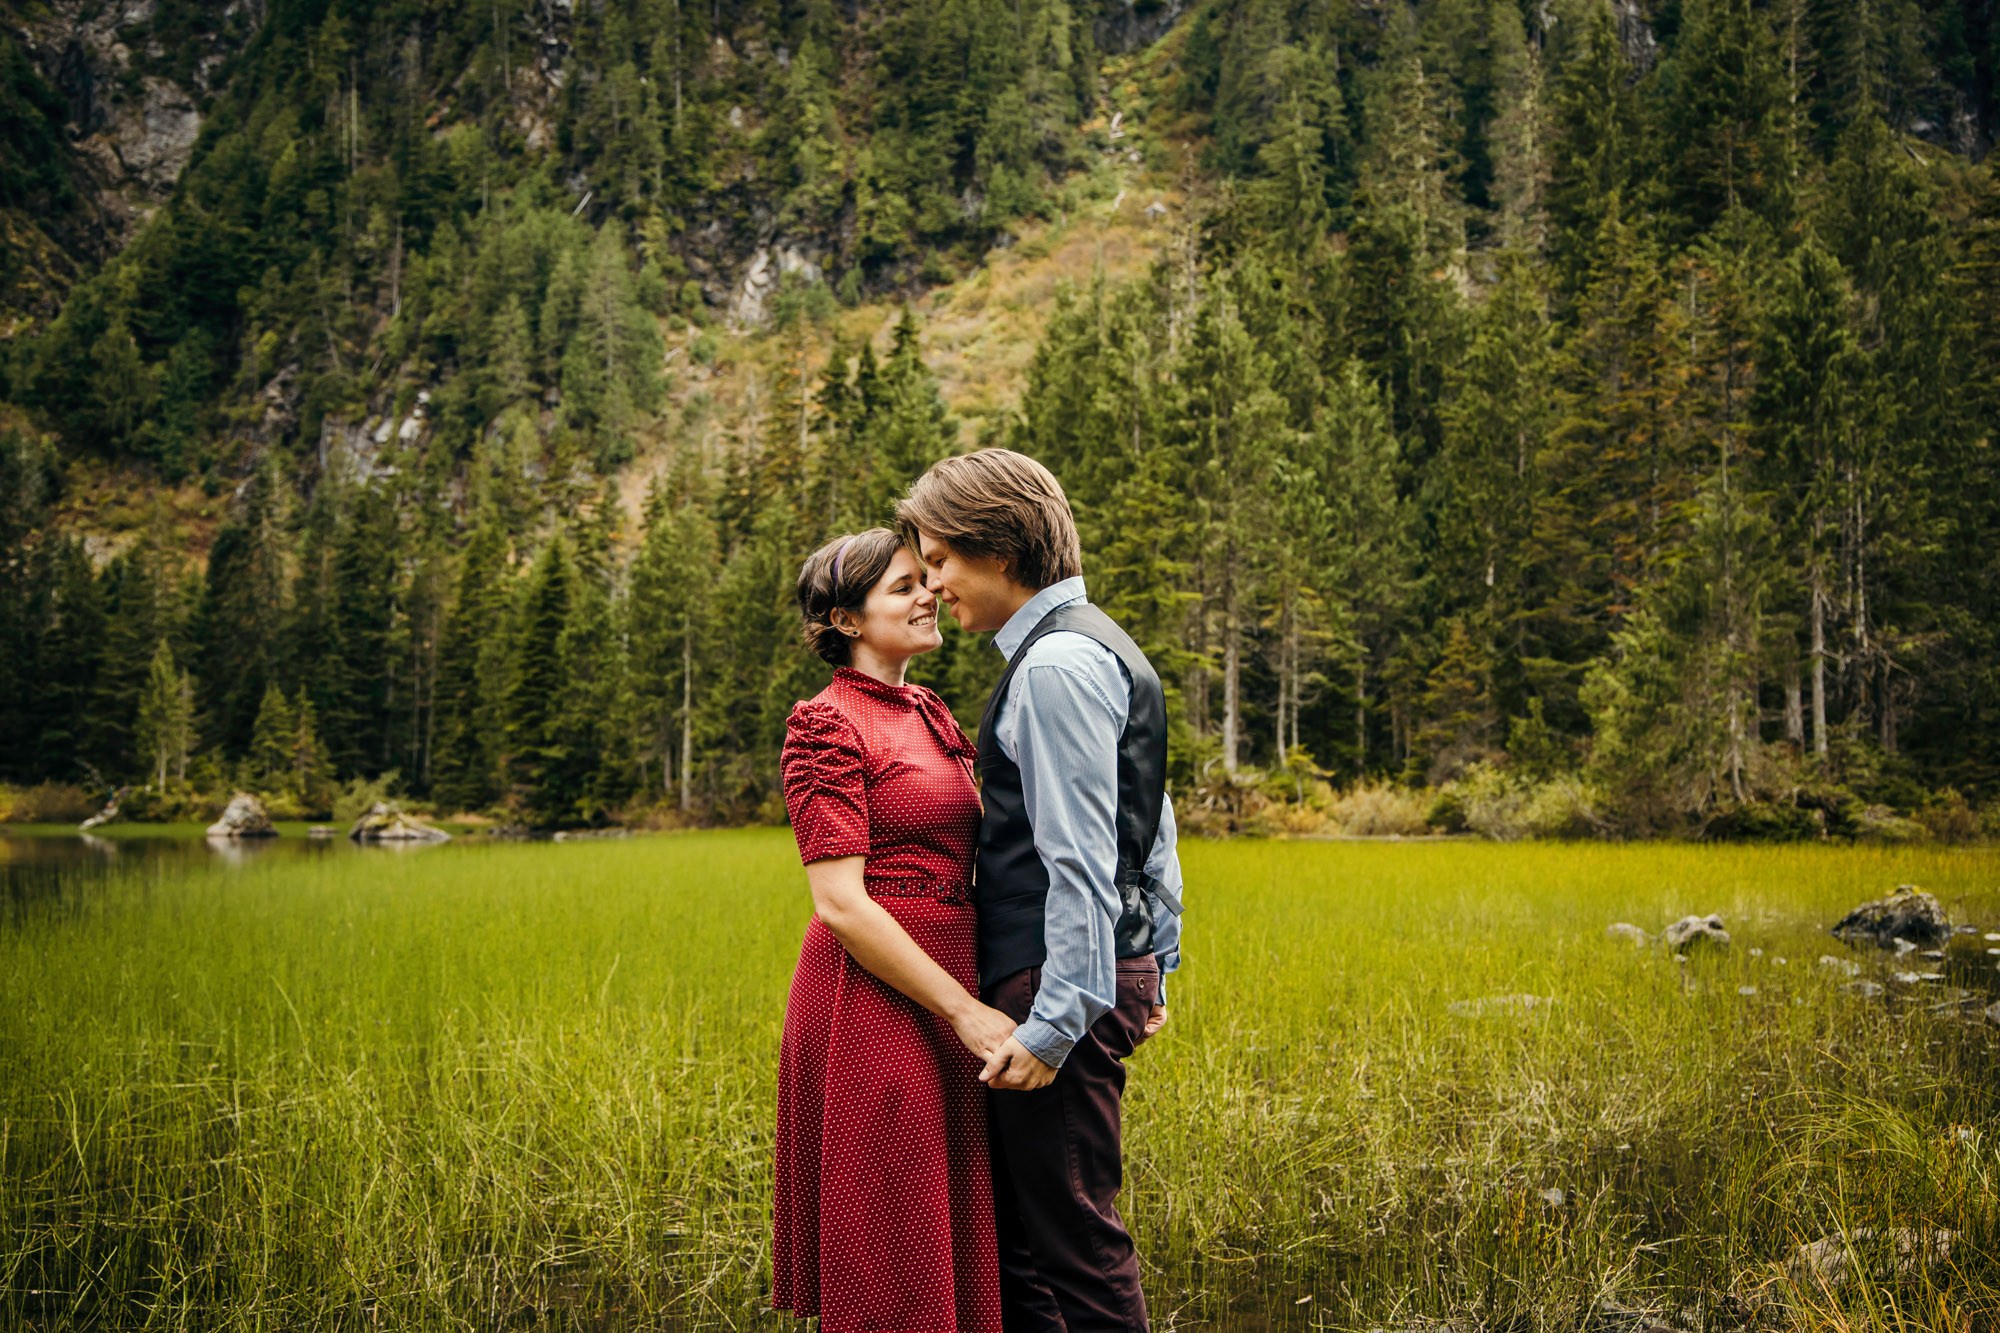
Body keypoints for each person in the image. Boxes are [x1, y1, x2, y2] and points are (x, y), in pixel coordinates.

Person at [897, 450, 1186, 1333]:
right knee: (1032, 1239)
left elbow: (1084, 861)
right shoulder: (1104, 644)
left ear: (999, 548)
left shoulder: (1055, 665)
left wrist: (1060, 1022)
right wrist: (1155, 962)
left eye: (940, 559)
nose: (934, 582)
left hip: (1049, 983)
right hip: (1088, 973)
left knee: (1069, 1246)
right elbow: (1156, 833)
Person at [772, 526, 1013, 1333]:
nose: (929, 596)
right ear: (846, 619)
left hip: (947, 974)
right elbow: (839, 902)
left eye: (927, 580)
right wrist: (963, 1009)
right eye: (905, 586)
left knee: (952, 1229)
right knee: (893, 1230)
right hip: (871, 995)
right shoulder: (825, 723)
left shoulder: (927, 710)